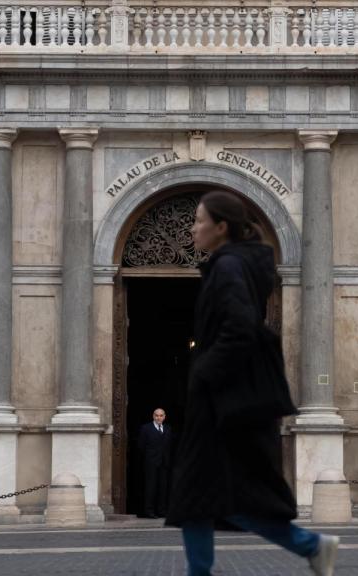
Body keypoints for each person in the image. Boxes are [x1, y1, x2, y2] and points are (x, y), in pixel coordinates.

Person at [167, 190, 339, 576]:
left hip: (221, 404)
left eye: (199, 220)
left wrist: (203, 372)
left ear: (221, 227)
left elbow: (240, 328)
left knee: (210, 495)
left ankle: (309, 545)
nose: (192, 228)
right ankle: (309, 546)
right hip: (225, 401)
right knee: (203, 496)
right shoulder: (235, 264)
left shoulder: (228, 267)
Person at [137, 407, 172, 519]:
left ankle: (161, 511)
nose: (158, 418)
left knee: (163, 488)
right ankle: (149, 511)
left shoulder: (168, 429)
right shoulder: (146, 428)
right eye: (156, 415)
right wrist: (149, 457)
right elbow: (141, 446)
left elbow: (170, 446)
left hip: (164, 463)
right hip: (151, 463)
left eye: (161, 415)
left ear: (164, 417)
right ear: (153, 416)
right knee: (150, 487)